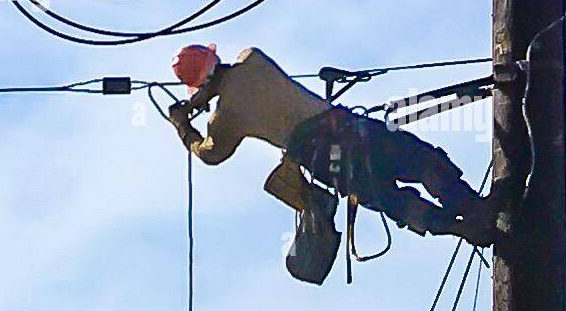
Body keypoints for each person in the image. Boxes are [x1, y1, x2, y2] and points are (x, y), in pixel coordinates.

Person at [166, 45, 498, 261]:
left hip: (324, 159)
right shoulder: (252, 59)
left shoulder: (225, 118)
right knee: (420, 160)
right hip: (347, 128)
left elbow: (209, 154)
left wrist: (183, 122)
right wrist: (200, 97)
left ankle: (461, 228)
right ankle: (472, 207)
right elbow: (233, 71)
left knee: (390, 199)